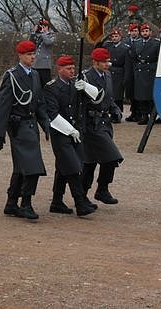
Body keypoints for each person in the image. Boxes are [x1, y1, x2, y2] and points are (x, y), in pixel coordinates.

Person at [0, 40, 49, 221]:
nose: (32, 57)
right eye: (28, 54)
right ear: (20, 56)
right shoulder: (12, 76)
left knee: (21, 167)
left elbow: (38, 102)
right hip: (18, 126)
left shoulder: (35, 75)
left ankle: (11, 202)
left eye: (34, 54)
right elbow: (3, 105)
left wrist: (45, 124)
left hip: (31, 125)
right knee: (33, 167)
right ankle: (26, 203)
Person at [42, 55, 96, 217]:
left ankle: (57, 201)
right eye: (68, 68)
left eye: (73, 68)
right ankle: (80, 202)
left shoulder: (76, 84)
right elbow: (52, 113)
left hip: (76, 131)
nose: (72, 71)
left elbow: (96, 98)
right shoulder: (51, 88)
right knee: (72, 167)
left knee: (63, 167)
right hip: (61, 132)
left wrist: (86, 87)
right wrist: (70, 129)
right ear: (59, 70)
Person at [80, 47, 124, 205]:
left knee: (91, 161)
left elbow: (108, 96)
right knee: (110, 157)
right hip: (91, 125)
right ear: (94, 62)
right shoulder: (85, 77)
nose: (107, 65)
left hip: (104, 123)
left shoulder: (107, 75)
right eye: (103, 62)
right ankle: (94, 192)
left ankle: (97, 191)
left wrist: (114, 109)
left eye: (108, 61)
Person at [126, 23, 160, 125]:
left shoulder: (156, 43)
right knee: (140, 96)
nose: (145, 33)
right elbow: (133, 57)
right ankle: (144, 116)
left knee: (150, 96)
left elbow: (159, 58)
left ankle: (152, 116)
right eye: (143, 31)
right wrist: (137, 67)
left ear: (150, 32)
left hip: (151, 71)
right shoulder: (137, 43)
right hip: (140, 70)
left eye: (146, 31)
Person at [102, 28, 129, 121]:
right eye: (113, 37)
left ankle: (118, 113)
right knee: (109, 94)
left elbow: (127, 64)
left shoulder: (125, 48)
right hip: (109, 71)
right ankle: (111, 113)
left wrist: (126, 77)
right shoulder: (107, 47)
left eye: (116, 36)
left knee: (118, 95)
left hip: (119, 73)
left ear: (120, 37)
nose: (114, 38)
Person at [28, 19, 54, 87]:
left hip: (44, 65)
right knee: (35, 84)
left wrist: (44, 33)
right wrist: (34, 32)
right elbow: (30, 44)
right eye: (41, 26)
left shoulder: (50, 35)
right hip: (36, 64)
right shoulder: (38, 36)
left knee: (46, 85)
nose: (42, 28)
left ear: (48, 27)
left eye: (44, 26)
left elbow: (48, 42)